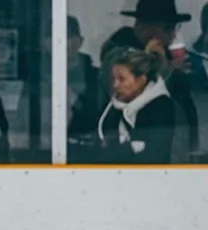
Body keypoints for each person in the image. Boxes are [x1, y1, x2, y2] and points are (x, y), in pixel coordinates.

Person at [101, 0, 198, 153]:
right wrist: (167, 70)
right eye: (167, 28)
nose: (172, 34)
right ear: (144, 28)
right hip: (137, 144)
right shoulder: (119, 54)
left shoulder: (163, 53)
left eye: (174, 28)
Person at [97, 48, 175, 164]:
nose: (115, 85)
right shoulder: (112, 108)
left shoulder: (161, 107)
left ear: (141, 81)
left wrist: (119, 150)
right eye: (114, 79)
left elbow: (154, 153)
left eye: (121, 79)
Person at [66, 16, 102, 162]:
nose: (62, 43)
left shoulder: (96, 77)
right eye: (51, 36)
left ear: (79, 41)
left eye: (68, 36)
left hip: (89, 156)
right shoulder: (38, 78)